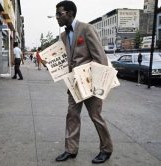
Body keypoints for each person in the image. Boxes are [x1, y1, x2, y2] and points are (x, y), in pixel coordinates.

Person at [54, 1, 113, 164]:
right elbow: (65, 59)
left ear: (70, 13)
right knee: (72, 115)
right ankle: (71, 149)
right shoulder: (63, 35)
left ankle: (106, 149)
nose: (57, 17)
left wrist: (99, 84)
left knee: (96, 116)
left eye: (60, 13)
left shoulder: (86, 29)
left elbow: (100, 57)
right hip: (74, 84)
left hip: (90, 82)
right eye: (56, 14)